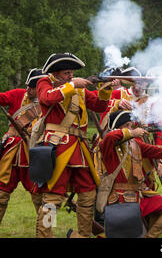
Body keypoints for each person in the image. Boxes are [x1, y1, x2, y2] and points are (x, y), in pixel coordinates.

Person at [35, 53, 114, 238]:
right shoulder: (44, 82)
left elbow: (101, 106)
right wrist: (72, 85)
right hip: (58, 147)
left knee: (87, 196)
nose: (70, 76)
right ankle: (45, 235)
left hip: (80, 149)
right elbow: (47, 98)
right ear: (56, 73)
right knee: (52, 199)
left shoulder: (78, 89)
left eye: (71, 73)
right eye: (67, 73)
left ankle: (84, 235)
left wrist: (105, 88)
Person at [0, 68, 47, 238]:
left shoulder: (49, 100)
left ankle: (47, 233)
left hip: (36, 154)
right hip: (11, 154)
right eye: (28, 87)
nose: (28, 90)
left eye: (32, 87)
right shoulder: (17, 94)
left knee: (45, 200)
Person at [99, 110, 162, 238]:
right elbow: (110, 137)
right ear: (117, 127)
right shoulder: (109, 143)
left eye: (131, 125)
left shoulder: (135, 144)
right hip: (120, 201)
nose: (130, 128)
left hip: (139, 197)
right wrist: (131, 133)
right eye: (126, 125)